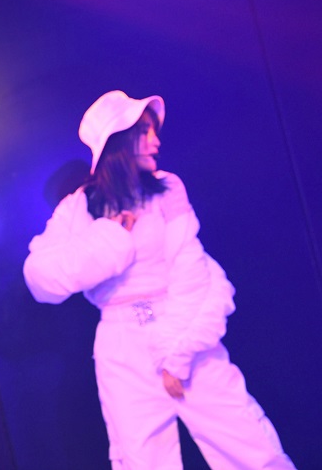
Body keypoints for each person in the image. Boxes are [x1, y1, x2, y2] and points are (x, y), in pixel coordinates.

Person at [23, 90, 295, 469]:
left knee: (248, 444)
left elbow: (189, 267)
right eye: (144, 132)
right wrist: (109, 238)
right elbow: (40, 279)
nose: (156, 141)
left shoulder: (166, 188)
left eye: (155, 131)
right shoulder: (80, 206)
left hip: (181, 327)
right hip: (120, 345)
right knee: (142, 459)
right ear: (119, 141)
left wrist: (175, 356)